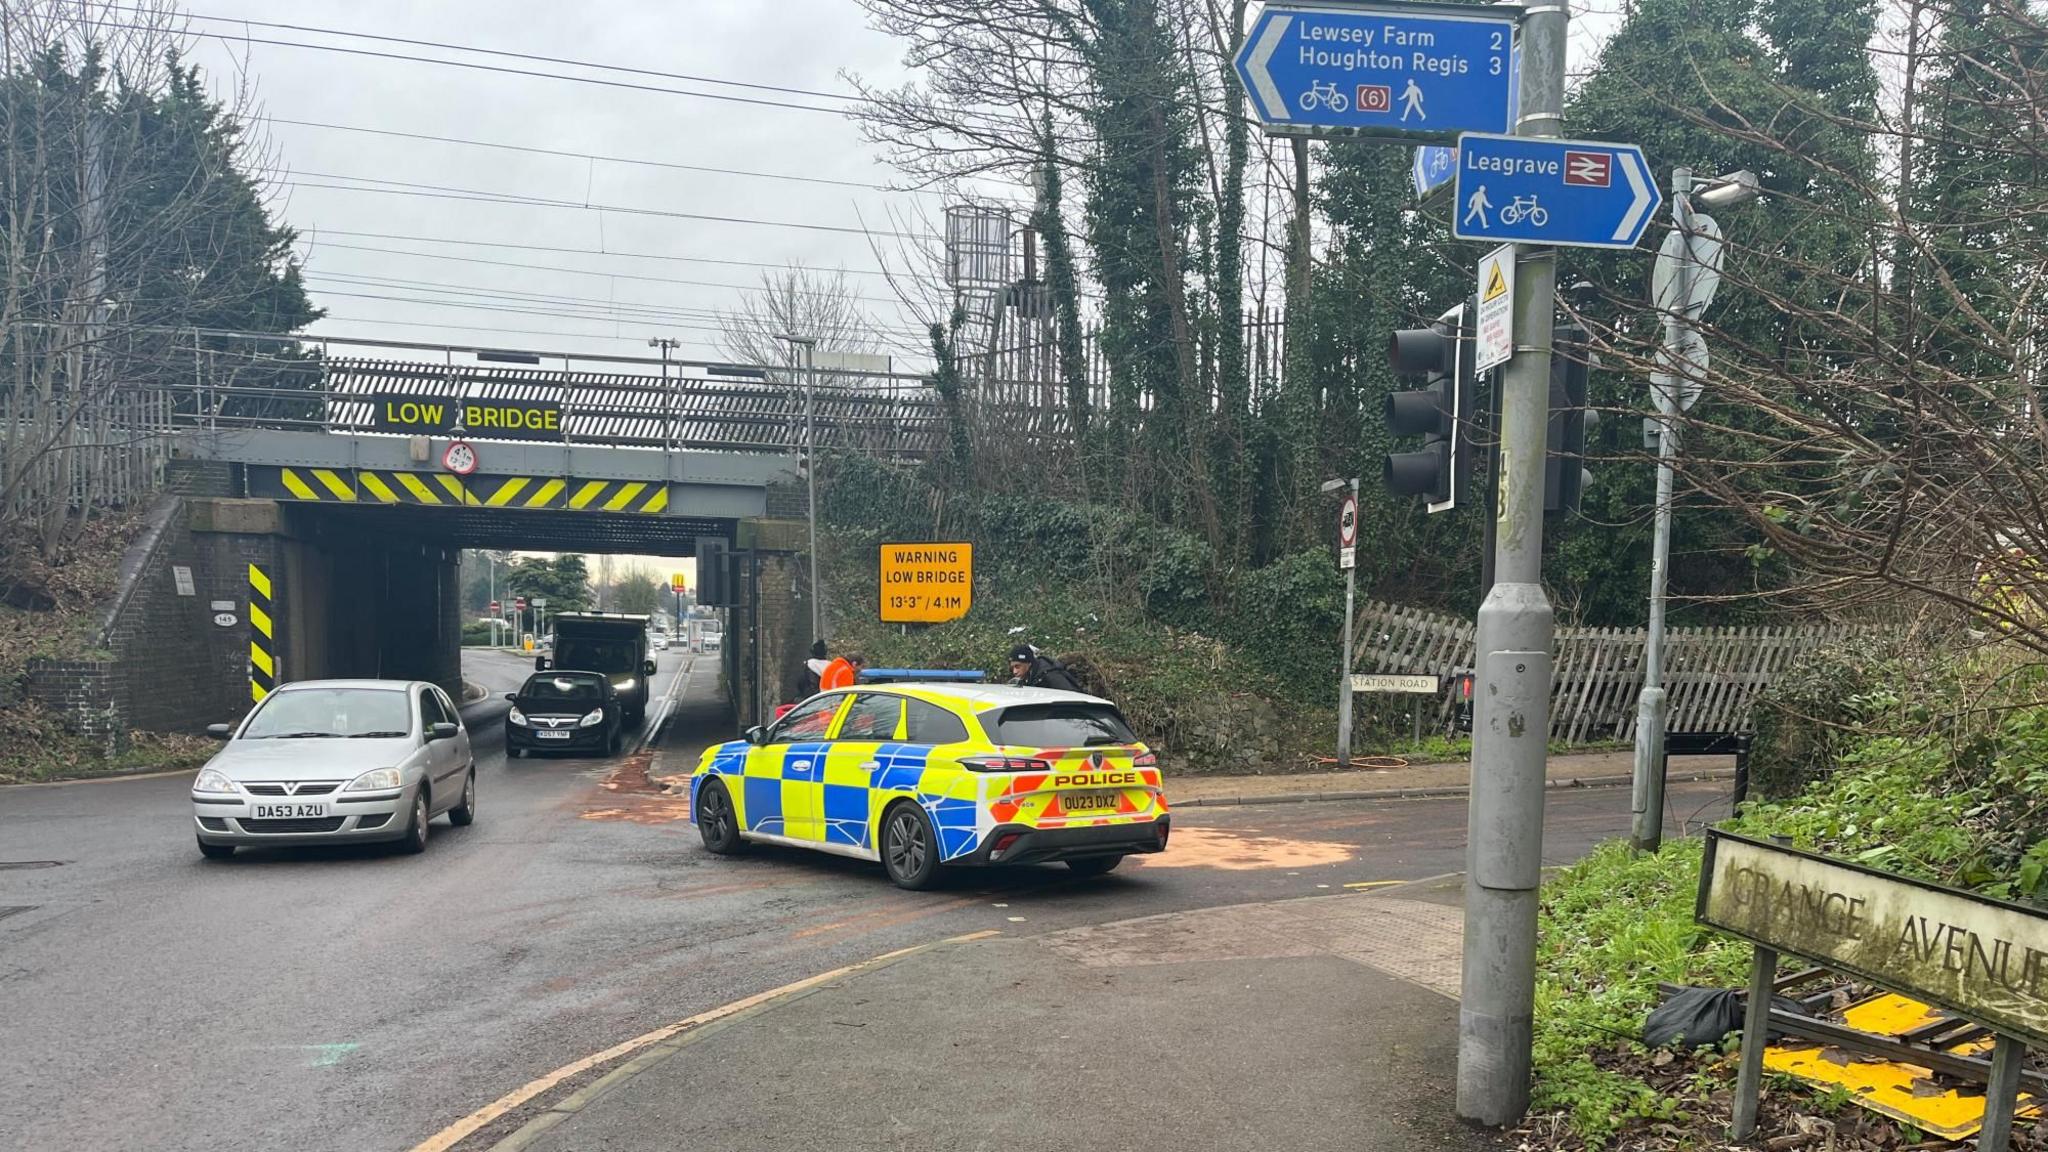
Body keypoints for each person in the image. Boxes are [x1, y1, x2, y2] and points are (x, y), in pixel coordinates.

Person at [1008, 643, 1081, 692]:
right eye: (1012, 668)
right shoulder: (1030, 676)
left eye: (1017, 666)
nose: (1015, 671)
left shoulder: (1050, 675)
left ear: (1029, 663)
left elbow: (1071, 696)